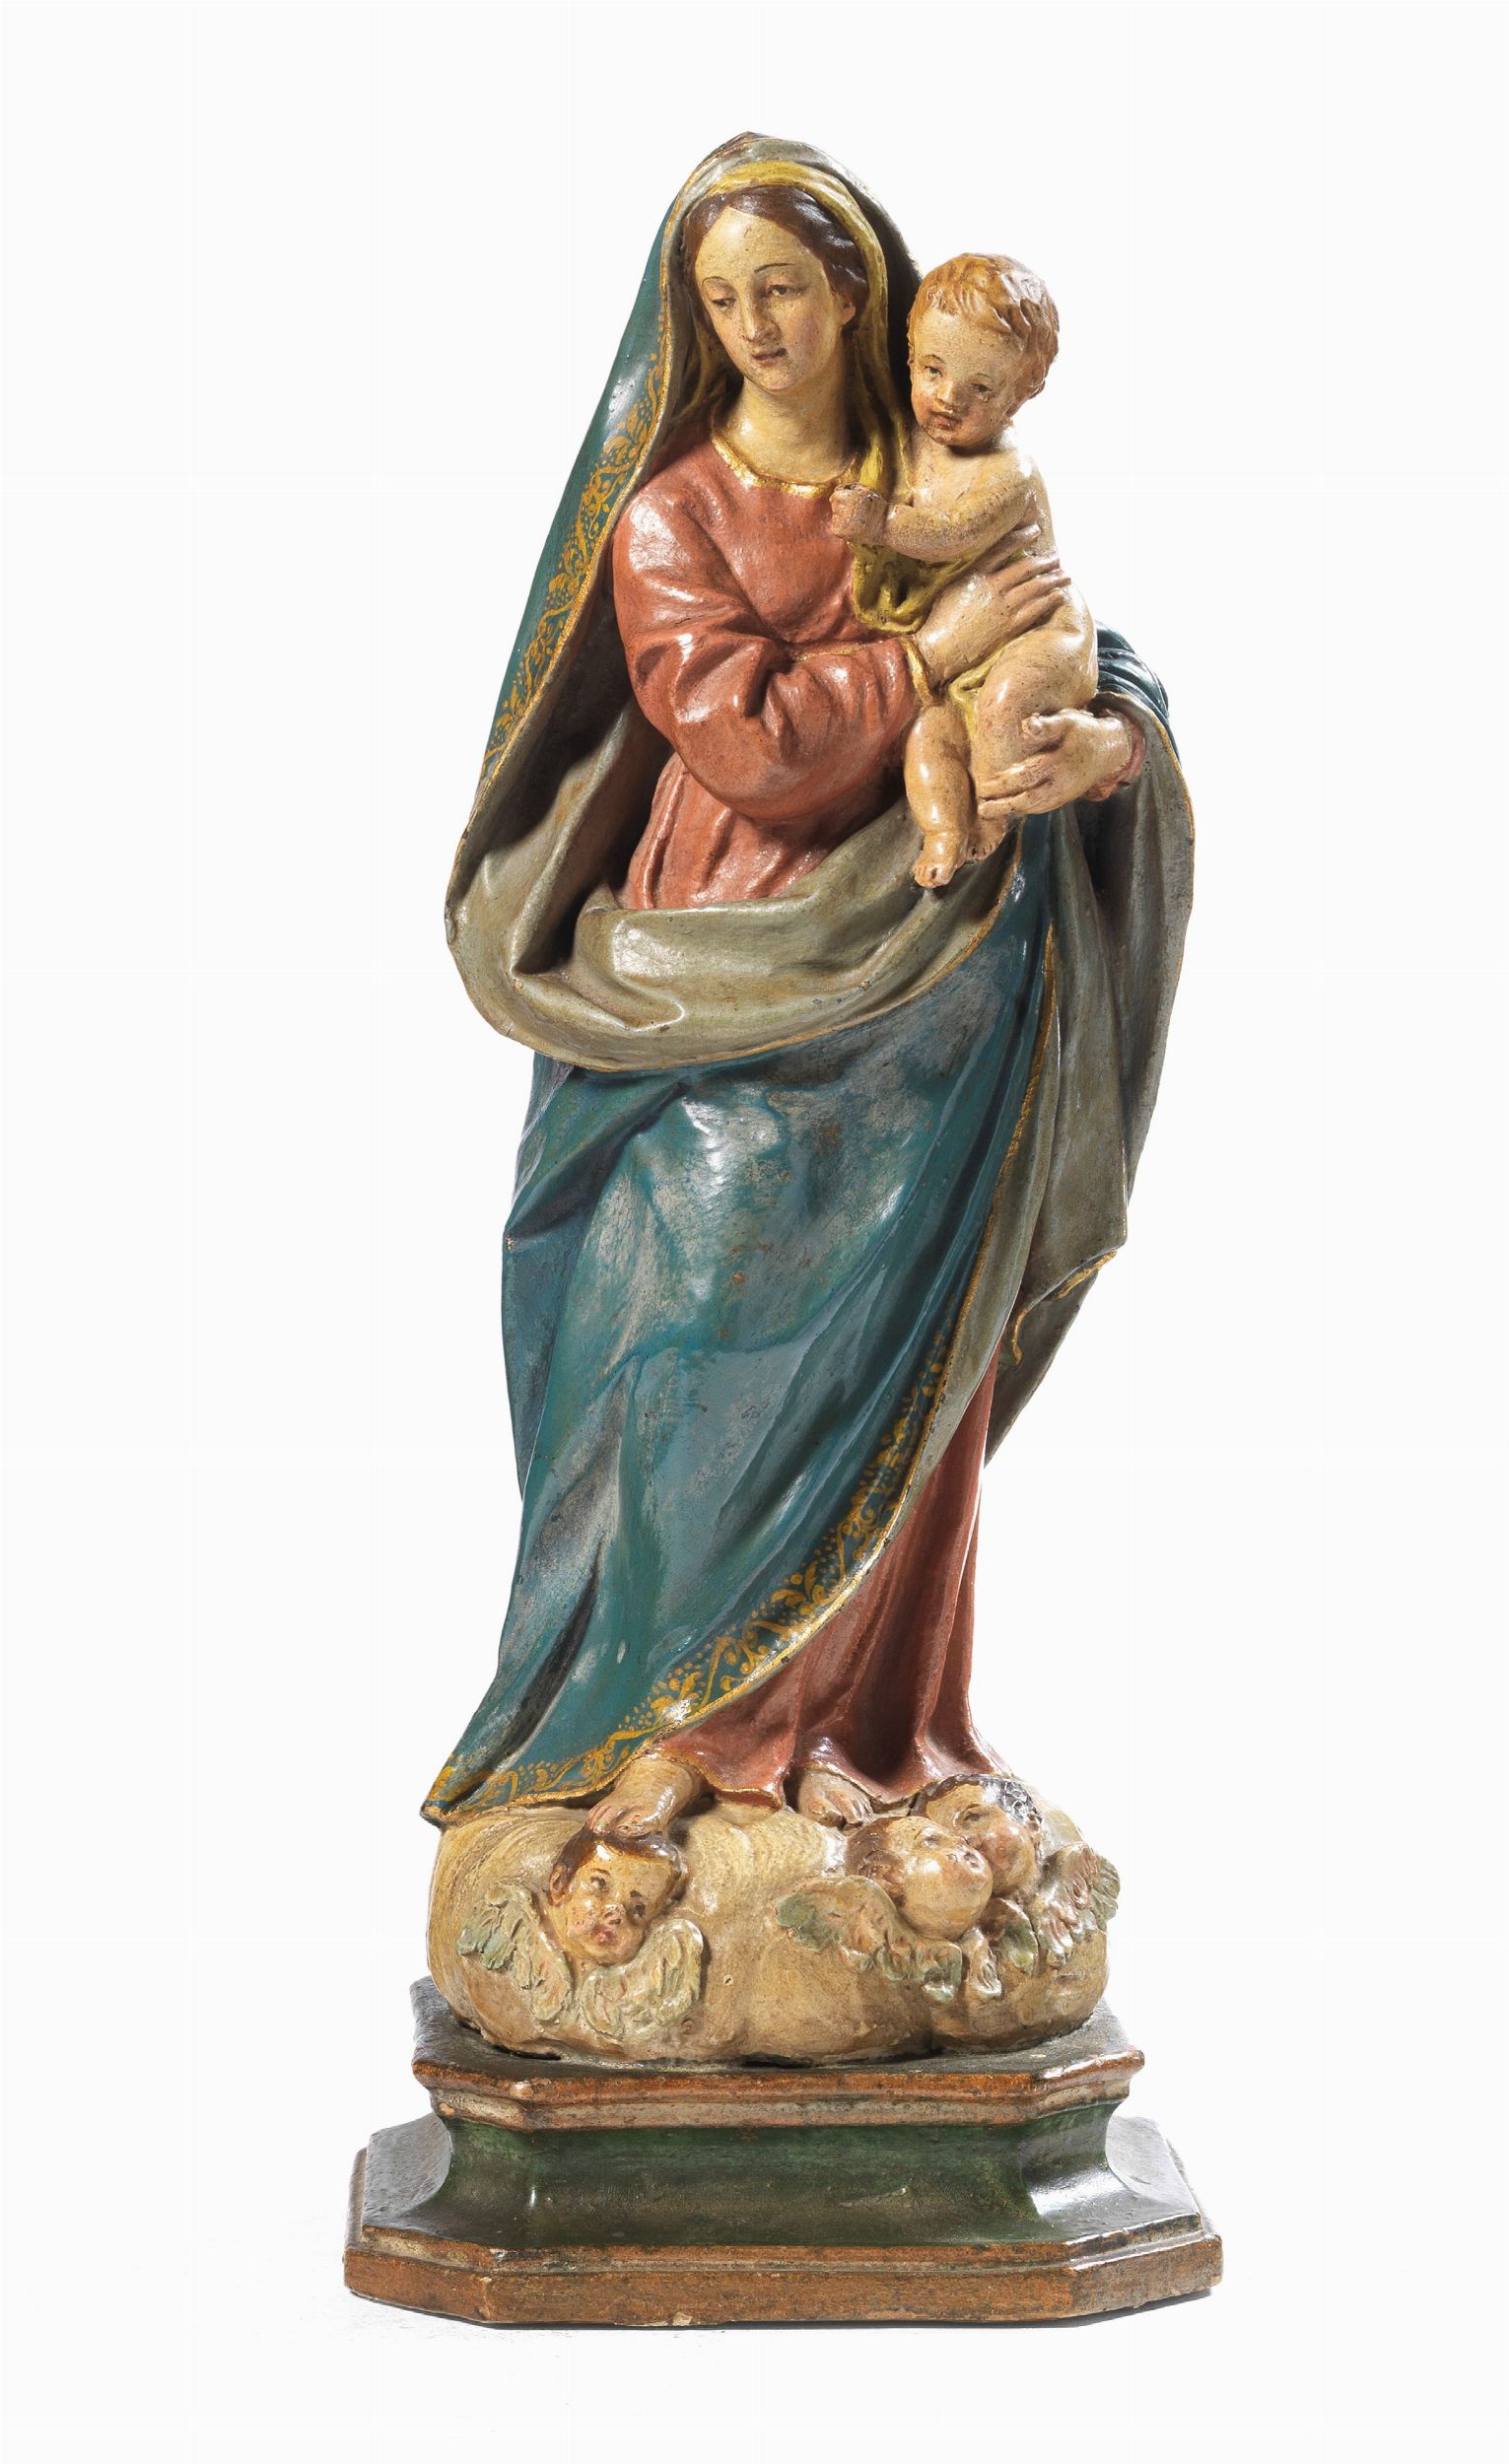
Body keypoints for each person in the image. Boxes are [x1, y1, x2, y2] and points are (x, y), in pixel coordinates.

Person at [424, 137, 1192, 1849]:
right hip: (725, 960)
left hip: (947, 1001)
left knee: (904, 1361)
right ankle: (665, 1715)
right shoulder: (673, 514)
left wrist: (1105, 741)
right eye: (721, 301)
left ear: (855, 290)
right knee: (675, 1325)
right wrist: (926, 657)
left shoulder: (952, 457)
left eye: (782, 286)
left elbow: (1083, 639)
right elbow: (747, 743)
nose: (756, 326)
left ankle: (858, 1733)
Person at [830, 251, 1097, 890]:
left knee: (1005, 707)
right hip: (965, 647)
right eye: (933, 370)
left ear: (1020, 395)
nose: (949, 398)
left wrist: (881, 522)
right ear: (910, 357)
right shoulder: (907, 446)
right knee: (930, 734)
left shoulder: (1008, 471)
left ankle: (996, 820)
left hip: (1038, 631)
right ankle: (946, 831)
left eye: (981, 388)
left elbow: (953, 535)